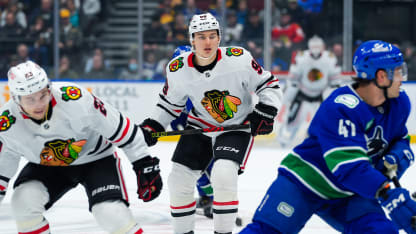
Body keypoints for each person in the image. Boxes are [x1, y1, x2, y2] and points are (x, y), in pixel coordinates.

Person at [240, 40, 416, 234]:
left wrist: (395, 161)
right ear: (382, 76)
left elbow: (400, 139)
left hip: (348, 194)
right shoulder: (342, 107)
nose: (402, 78)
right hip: (305, 182)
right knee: (266, 232)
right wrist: (387, 192)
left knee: (381, 231)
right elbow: (349, 168)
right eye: (398, 72)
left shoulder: (399, 103)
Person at [139, 12, 282, 234]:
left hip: (236, 126)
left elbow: (268, 83)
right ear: (191, 40)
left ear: (219, 38)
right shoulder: (177, 69)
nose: (207, 42)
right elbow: (169, 105)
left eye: (212, 36)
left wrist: (266, 111)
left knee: (223, 174)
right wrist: (154, 125)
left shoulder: (239, 58)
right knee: (178, 179)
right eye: (201, 36)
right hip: (200, 126)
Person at [0, 60, 162, 233]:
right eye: (30, 99)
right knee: (23, 203)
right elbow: (2, 169)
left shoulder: (74, 98)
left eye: (42, 95)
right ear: (16, 98)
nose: (38, 104)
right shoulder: (7, 123)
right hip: (48, 165)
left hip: (96, 159)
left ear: (49, 88)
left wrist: (143, 164)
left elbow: (122, 130)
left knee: (111, 214)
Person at [276, 35, 342, 148]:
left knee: (325, 121)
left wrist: (332, 97)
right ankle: (285, 139)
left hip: (321, 94)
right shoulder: (302, 57)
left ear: (322, 47)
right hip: (303, 94)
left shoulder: (329, 58)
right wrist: (288, 96)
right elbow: (293, 79)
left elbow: (335, 80)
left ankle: (326, 142)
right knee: (293, 119)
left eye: (318, 46)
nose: (316, 49)